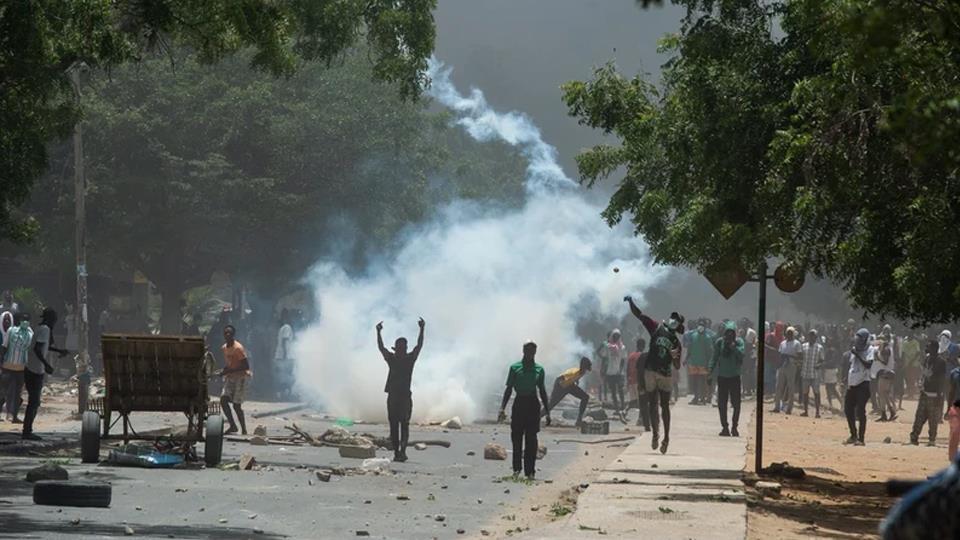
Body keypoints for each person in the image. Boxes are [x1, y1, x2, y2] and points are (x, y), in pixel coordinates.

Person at [625, 296, 683, 454]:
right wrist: (631, 303)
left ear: (678, 325)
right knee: (652, 404)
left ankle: (667, 438)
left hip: (665, 374)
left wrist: (674, 356)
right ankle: (656, 434)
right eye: (673, 318)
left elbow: (677, 365)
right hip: (650, 371)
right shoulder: (656, 328)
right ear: (670, 319)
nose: (674, 320)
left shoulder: (676, 342)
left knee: (665, 406)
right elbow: (640, 315)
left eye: (677, 320)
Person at [498, 341, 551, 479]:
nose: (530, 353)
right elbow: (509, 389)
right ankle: (516, 469)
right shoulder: (515, 368)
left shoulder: (539, 369)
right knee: (516, 437)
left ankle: (530, 471)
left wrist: (548, 411)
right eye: (527, 350)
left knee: (531, 439)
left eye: (532, 350)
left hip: (533, 404)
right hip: (519, 403)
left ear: (535, 352)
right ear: (523, 351)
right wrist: (502, 408)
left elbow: (543, 390)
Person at [377, 318, 425, 463]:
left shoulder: (392, 359)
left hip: (394, 398)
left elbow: (381, 347)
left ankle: (398, 452)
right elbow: (419, 346)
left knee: (394, 426)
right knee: (404, 425)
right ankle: (402, 451)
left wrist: (378, 332)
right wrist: (422, 329)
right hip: (404, 397)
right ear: (405, 348)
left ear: (397, 348)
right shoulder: (409, 359)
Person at [22, 308, 67, 440]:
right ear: (51, 319)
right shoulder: (45, 329)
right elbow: (37, 349)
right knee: (34, 402)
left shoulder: (43, 329)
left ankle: (27, 430)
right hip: (34, 370)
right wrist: (47, 365)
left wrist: (59, 350)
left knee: (35, 402)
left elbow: (44, 346)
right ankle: (27, 431)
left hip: (35, 369)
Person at [708, 320, 744, 437]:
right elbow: (714, 357)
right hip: (722, 377)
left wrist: (734, 348)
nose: (729, 335)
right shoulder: (720, 343)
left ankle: (734, 427)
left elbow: (742, 355)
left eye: (731, 333)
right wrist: (709, 372)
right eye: (727, 332)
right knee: (722, 404)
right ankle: (725, 427)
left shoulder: (739, 342)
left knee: (736, 404)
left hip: (735, 377)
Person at [910, 340, 946, 446]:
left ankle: (932, 439)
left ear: (935, 348)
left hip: (934, 394)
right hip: (924, 392)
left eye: (929, 347)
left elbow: (942, 379)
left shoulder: (941, 362)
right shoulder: (927, 359)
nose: (927, 348)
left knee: (933, 419)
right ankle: (914, 437)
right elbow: (924, 374)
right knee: (919, 416)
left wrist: (940, 394)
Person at [845, 328, 876, 445]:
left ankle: (861, 439)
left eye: (860, 339)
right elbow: (851, 366)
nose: (857, 341)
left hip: (863, 384)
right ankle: (853, 434)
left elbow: (868, 365)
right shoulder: (854, 350)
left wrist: (857, 354)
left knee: (860, 411)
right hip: (852, 384)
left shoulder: (869, 350)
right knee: (848, 410)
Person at [1, 314, 33, 423]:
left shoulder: (29, 334)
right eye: (24, 320)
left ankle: (14, 416)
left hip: (21, 368)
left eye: (27, 320)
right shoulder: (11, 331)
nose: (25, 322)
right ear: (19, 320)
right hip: (7, 366)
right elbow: (4, 346)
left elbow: (31, 348)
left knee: (17, 393)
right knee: (3, 392)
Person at [219, 325, 251, 435]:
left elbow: (246, 365)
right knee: (223, 400)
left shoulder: (238, 348)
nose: (227, 335)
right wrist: (224, 371)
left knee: (237, 406)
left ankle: (244, 429)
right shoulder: (224, 348)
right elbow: (229, 364)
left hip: (240, 378)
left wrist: (229, 371)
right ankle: (232, 425)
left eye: (230, 333)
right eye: (226, 333)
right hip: (230, 377)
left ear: (233, 335)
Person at [544, 356, 592, 426]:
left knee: (585, 397)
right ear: (584, 367)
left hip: (568, 385)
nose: (586, 371)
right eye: (586, 368)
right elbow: (563, 379)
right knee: (551, 404)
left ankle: (579, 420)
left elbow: (571, 378)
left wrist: (575, 382)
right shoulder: (577, 372)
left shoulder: (580, 372)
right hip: (561, 384)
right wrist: (560, 390)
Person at [684, 320, 714, 405]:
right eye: (699, 325)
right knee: (694, 381)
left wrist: (709, 363)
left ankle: (703, 398)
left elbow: (710, 351)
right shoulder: (693, 336)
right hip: (694, 362)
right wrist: (686, 359)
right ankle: (696, 397)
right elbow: (689, 348)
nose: (700, 327)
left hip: (703, 363)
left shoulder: (708, 338)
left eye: (702, 325)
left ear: (705, 327)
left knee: (703, 382)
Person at [773, 327, 802, 414]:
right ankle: (777, 407)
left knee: (790, 387)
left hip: (791, 366)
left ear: (793, 334)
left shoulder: (797, 343)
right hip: (782, 366)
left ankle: (789, 408)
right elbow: (779, 354)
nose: (789, 334)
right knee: (778, 386)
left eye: (790, 333)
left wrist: (789, 356)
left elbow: (800, 356)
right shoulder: (782, 343)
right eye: (788, 332)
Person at [603, 329, 627, 421]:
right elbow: (605, 359)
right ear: (612, 337)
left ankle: (622, 407)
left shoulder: (622, 347)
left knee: (620, 391)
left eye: (617, 336)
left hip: (618, 373)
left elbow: (623, 360)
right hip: (610, 372)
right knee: (613, 392)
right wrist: (604, 371)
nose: (616, 337)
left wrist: (620, 370)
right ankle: (617, 408)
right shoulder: (608, 347)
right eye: (615, 336)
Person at [799, 329, 824, 418]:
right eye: (810, 336)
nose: (812, 337)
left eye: (813, 336)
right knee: (805, 393)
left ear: (816, 338)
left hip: (815, 374)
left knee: (816, 393)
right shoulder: (803, 346)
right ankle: (805, 411)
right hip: (805, 373)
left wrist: (819, 365)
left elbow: (822, 360)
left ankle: (817, 412)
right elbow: (800, 358)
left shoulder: (819, 347)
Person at [627, 338, 651, 429]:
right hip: (639, 381)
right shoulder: (643, 356)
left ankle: (638, 417)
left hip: (631, 381)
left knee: (636, 401)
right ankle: (641, 419)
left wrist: (627, 381)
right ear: (643, 346)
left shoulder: (631, 356)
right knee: (642, 401)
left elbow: (627, 368)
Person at [874, 337, 898, 422]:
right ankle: (891, 411)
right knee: (885, 394)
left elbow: (885, 362)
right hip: (888, 373)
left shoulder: (885, 349)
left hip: (885, 373)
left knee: (881, 394)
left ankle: (885, 414)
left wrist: (878, 357)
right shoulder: (888, 348)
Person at [274, 309, 295, 400]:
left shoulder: (282, 328)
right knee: (287, 376)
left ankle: (282, 394)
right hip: (285, 356)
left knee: (282, 376)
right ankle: (286, 395)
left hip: (280, 356)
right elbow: (285, 340)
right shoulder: (287, 327)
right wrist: (285, 355)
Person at [901, 334, 923, 399]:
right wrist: (903, 362)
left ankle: (912, 394)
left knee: (913, 379)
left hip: (914, 364)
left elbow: (918, 352)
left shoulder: (916, 342)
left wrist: (912, 361)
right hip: (907, 364)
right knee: (907, 379)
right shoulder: (904, 343)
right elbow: (903, 353)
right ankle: (909, 393)